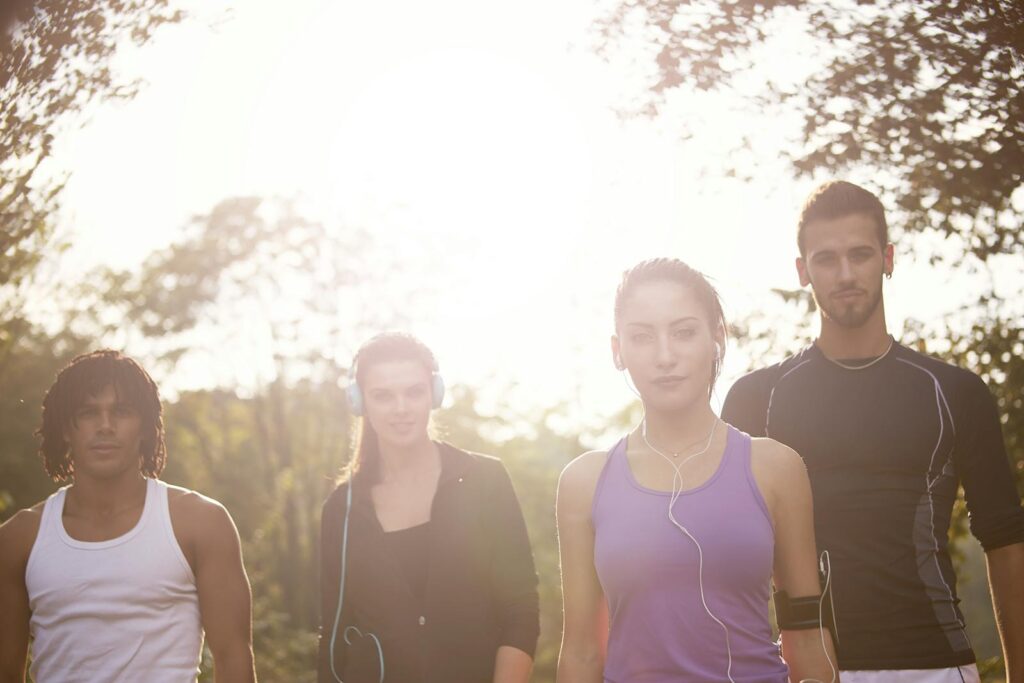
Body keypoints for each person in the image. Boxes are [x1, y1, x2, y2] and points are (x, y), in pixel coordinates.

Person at [722, 180, 1024, 683]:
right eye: (826, 259)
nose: (845, 274)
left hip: (937, 667)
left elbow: (1006, 542)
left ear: (887, 258)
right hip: (804, 669)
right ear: (802, 271)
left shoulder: (953, 392)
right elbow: (725, 551)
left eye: (860, 255)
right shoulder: (757, 399)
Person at [556, 258, 838, 683]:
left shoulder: (775, 468)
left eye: (684, 332)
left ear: (717, 338)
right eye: (642, 337)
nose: (665, 356)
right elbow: (580, 653)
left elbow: (807, 638)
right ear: (618, 351)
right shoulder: (584, 482)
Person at [0, 349, 257, 682]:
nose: (105, 425)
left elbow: (234, 659)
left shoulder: (200, 523)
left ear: (146, 428)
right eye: (88, 412)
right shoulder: (18, 539)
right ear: (65, 429)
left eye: (121, 411)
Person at [317, 332, 539, 683]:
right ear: (360, 403)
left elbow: (520, 609)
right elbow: (333, 638)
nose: (401, 408)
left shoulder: (485, 480)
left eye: (414, 392)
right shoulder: (340, 511)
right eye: (383, 396)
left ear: (434, 394)